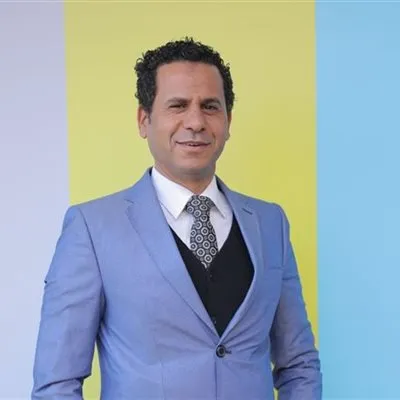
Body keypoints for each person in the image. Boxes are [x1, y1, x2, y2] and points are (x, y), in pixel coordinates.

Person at [32, 37, 322, 399]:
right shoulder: (92, 229)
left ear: (228, 121)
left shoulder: (269, 223)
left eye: (210, 106)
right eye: (178, 105)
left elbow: (299, 364)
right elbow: (57, 383)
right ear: (144, 120)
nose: (196, 122)